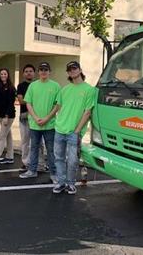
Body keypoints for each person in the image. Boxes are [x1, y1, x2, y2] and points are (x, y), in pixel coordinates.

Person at [52, 61, 96, 195]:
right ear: (68, 73)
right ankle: (61, 182)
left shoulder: (89, 90)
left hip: (74, 132)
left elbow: (87, 112)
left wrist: (77, 130)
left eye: (74, 68)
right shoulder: (64, 89)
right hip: (59, 129)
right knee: (58, 158)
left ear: (80, 70)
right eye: (69, 69)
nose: (72, 71)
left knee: (72, 160)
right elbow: (58, 107)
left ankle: (70, 184)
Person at [19, 62, 60, 183]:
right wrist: (36, 118)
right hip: (34, 124)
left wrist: (47, 118)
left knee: (51, 150)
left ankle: (54, 173)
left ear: (49, 71)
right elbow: (28, 103)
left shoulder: (56, 86)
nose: (43, 71)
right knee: (34, 148)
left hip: (50, 124)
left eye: (46, 69)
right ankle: (32, 170)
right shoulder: (33, 86)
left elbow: (57, 105)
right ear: (38, 72)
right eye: (41, 69)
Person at [17, 64, 35, 171]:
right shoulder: (21, 86)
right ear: (23, 74)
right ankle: (25, 162)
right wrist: (34, 101)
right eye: (26, 71)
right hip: (24, 117)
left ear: (34, 73)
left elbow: (25, 100)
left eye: (31, 71)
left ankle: (40, 163)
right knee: (25, 141)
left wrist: (28, 100)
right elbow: (21, 101)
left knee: (38, 143)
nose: (29, 73)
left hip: (37, 117)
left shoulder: (38, 85)